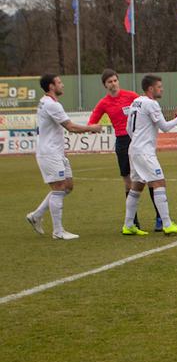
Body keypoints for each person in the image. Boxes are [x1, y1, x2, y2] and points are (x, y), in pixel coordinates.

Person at [26, 74, 104, 240]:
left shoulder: (47, 102)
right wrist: (92, 128)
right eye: (59, 82)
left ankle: (36, 215)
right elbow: (71, 127)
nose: (62, 85)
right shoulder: (52, 105)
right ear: (51, 86)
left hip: (56, 152)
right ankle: (58, 231)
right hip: (49, 153)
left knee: (67, 186)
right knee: (59, 188)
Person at [88, 69, 162, 231]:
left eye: (115, 80)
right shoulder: (104, 103)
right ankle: (133, 222)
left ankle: (159, 218)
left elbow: (147, 108)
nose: (113, 84)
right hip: (122, 142)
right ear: (105, 85)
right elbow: (92, 121)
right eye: (109, 82)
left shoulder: (131, 96)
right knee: (129, 182)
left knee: (151, 178)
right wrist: (93, 127)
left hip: (137, 141)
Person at [123, 75, 177, 236]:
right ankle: (167, 224)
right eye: (159, 86)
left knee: (137, 186)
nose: (162, 89)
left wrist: (138, 141)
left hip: (134, 149)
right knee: (159, 182)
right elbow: (165, 127)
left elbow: (128, 129)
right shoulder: (151, 103)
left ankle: (128, 224)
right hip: (144, 151)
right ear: (151, 88)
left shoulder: (136, 102)